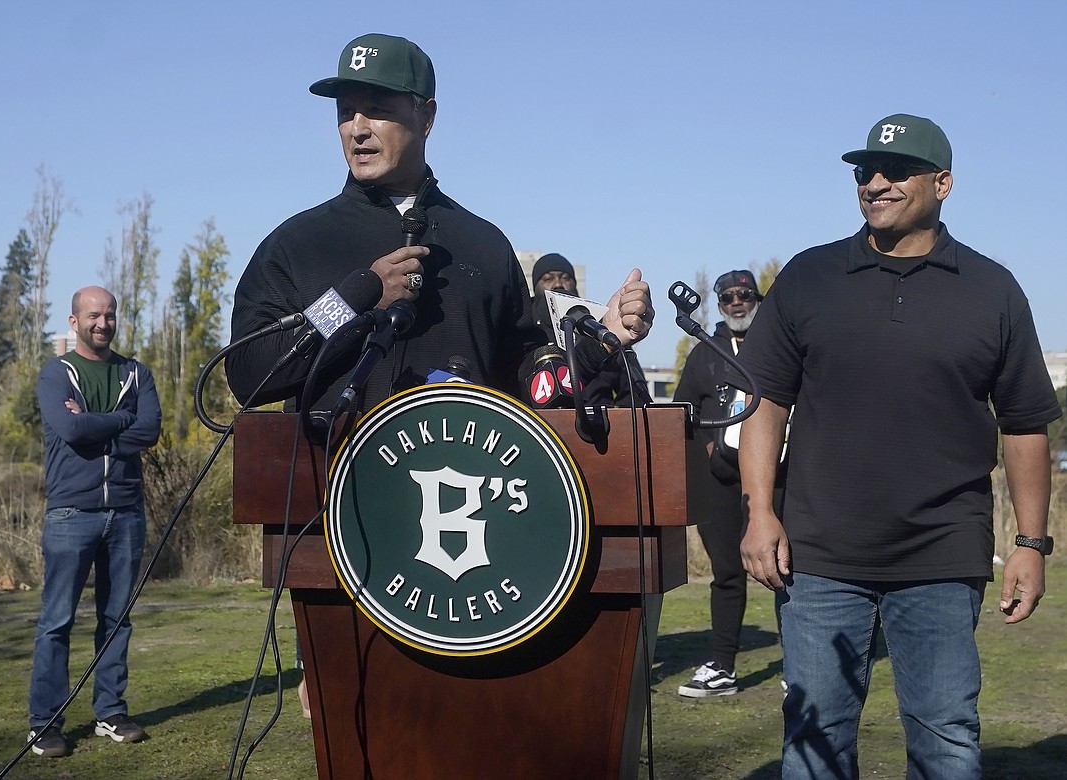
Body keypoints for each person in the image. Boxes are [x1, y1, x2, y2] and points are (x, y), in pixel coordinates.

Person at [225, 33, 654, 717]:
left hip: (471, 561)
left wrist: (604, 343)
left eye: (378, 110)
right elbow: (248, 374)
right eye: (345, 111)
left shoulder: (481, 244)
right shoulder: (296, 244)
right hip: (345, 545)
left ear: (426, 117)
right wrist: (356, 296)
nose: (357, 128)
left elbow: (528, 382)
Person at [738, 114, 1060, 778]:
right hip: (819, 554)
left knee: (945, 738)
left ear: (942, 183)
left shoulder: (992, 290)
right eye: (864, 171)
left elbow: (1025, 422)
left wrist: (1030, 544)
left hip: (943, 553)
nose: (876, 182)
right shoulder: (809, 277)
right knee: (814, 736)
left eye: (896, 170)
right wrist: (760, 511)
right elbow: (766, 401)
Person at [27, 286, 161, 758]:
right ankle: (45, 723)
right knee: (57, 620)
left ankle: (111, 712)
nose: (102, 323)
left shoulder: (135, 372)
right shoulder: (55, 374)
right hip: (71, 513)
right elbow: (69, 430)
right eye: (92, 316)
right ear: (74, 321)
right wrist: (120, 420)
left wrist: (97, 422)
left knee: (116, 620)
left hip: (126, 512)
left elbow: (150, 430)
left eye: (108, 315)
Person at [671, 269, 764, 697]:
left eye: (744, 294)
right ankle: (722, 667)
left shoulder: (776, 343)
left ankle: (802, 669)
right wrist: (709, 446)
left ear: (757, 298)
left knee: (788, 570)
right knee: (726, 573)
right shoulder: (704, 352)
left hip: (775, 476)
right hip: (720, 481)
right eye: (727, 297)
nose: (736, 302)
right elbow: (681, 411)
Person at [529, 252, 651, 406]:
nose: (558, 284)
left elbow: (634, 397)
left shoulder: (599, 330)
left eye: (565, 278)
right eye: (547, 279)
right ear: (535, 286)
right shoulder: (526, 333)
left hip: (600, 426)